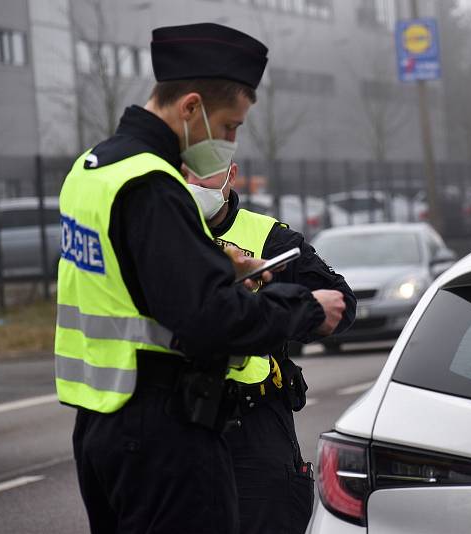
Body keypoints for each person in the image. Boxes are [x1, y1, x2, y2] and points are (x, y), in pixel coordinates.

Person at [55, 23, 345, 534]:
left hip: (101, 429)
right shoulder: (152, 183)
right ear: (190, 108)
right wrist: (309, 309)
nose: (232, 143)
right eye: (231, 126)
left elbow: (132, 284)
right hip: (163, 434)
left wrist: (218, 269)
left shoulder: (93, 169)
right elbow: (209, 320)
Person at [182, 161, 356, 534]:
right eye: (183, 173)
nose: (193, 183)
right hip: (174, 421)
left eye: (203, 174)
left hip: (252, 423)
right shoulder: (158, 234)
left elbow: (340, 306)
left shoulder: (271, 239)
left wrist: (274, 300)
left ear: (231, 173)